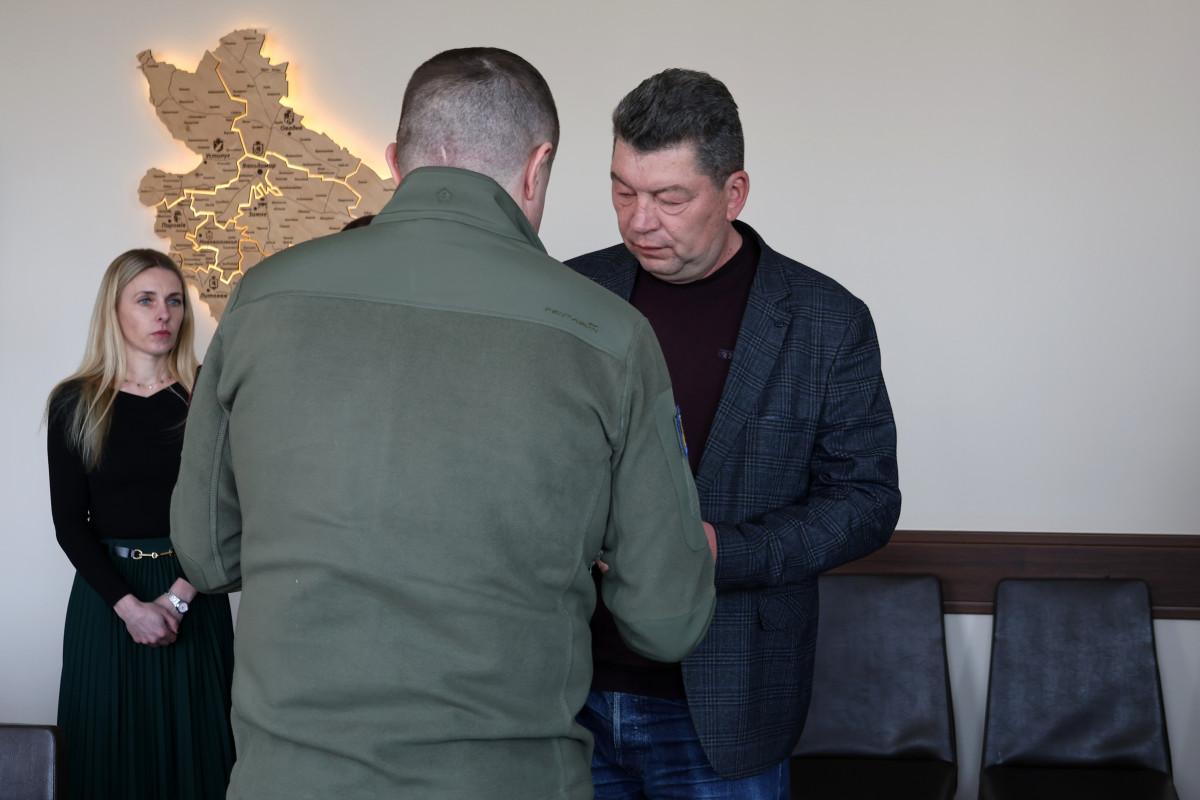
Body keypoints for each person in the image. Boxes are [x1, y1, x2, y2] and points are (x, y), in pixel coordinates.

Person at [170, 48, 716, 800]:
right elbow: (667, 619)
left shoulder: (260, 299)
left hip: (289, 780)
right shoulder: (609, 334)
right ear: (538, 168)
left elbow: (207, 556)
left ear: (397, 161)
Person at [568, 68, 901, 798]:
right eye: (623, 191)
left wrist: (720, 549)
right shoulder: (571, 295)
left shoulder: (827, 320)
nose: (639, 221)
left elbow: (867, 501)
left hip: (725, 706)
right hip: (566, 694)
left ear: (734, 192)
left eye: (670, 198)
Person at [45, 249, 235, 800]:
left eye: (174, 301)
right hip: (108, 601)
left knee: (201, 757)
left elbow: (229, 508)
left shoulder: (207, 394)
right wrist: (131, 609)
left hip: (193, 592)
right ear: (115, 309)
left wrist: (176, 601)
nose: (164, 314)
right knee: (104, 761)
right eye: (146, 300)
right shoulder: (76, 401)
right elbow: (69, 522)